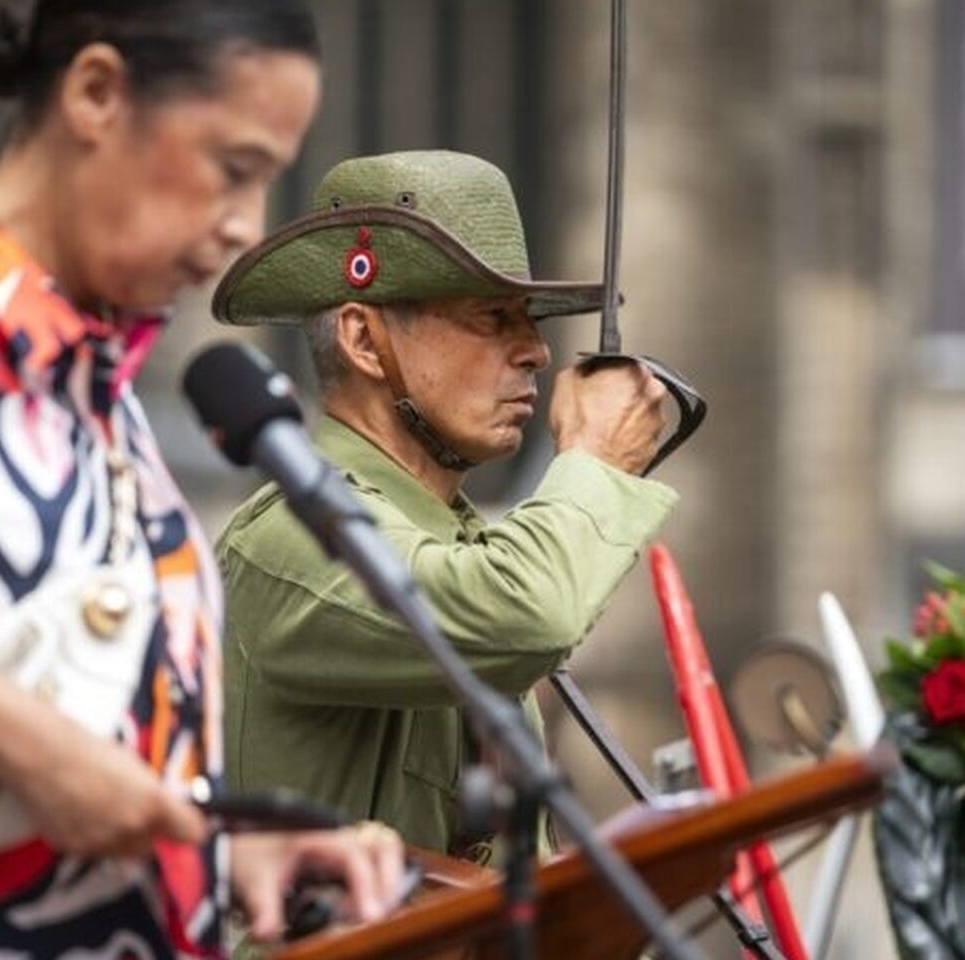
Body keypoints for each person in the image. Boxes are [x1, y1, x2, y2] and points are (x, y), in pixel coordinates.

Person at [0, 2, 404, 957]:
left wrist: (217, 855)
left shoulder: (93, 382)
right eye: (233, 169)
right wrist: (40, 754)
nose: (244, 228)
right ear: (97, 94)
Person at [214, 150, 678, 860]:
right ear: (364, 339)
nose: (537, 351)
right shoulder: (287, 536)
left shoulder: (454, 544)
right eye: (492, 317)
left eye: (528, 319)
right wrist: (592, 458)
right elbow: (530, 613)